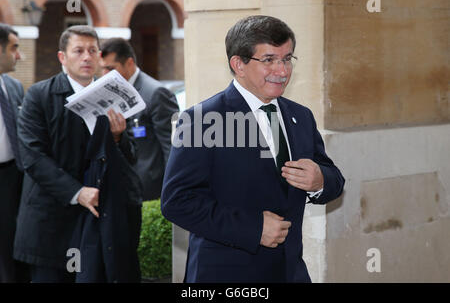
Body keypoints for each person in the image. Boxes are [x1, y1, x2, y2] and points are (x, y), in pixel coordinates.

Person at [161, 15, 345, 282]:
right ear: (239, 64)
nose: (282, 71)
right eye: (269, 60)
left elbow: (334, 179)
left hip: (290, 273)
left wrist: (319, 180)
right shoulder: (200, 121)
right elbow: (176, 202)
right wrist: (253, 229)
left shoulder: (301, 116)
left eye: (287, 59)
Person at [13, 25, 138, 282]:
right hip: (50, 223)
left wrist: (117, 136)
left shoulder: (112, 94)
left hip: (98, 223)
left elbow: (130, 158)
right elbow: (33, 158)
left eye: (93, 51)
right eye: (78, 51)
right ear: (62, 57)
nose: (87, 57)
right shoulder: (39, 95)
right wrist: (77, 192)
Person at [100, 38, 179, 200]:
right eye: (102, 69)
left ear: (129, 63)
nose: (105, 75)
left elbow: (171, 147)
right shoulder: (108, 91)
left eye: (110, 68)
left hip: (149, 191)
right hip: (119, 186)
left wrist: (173, 190)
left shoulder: (156, 93)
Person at [0, 23, 28, 283]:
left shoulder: (15, 87)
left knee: (12, 248)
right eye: (14, 48)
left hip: (13, 177)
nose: (20, 55)